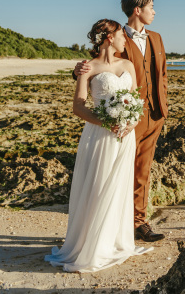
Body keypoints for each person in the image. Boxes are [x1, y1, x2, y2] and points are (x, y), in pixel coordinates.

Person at [46, 19, 152, 273]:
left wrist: (132, 122)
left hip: (125, 135)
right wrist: (105, 123)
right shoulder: (88, 67)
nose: (125, 40)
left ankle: (116, 240)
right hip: (100, 135)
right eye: (121, 36)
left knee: (118, 187)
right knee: (98, 185)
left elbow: (137, 99)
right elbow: (79, 106)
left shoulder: (127, 64)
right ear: (109, 37)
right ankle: (93, 245)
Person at [73, 0, 168, 242]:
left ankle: (139, 222)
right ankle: (113, 225)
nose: (154, 11)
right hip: (123, 116)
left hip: (154, 114)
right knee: (117, 170)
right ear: (138, 10)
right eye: (151, 7)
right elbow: (101, 66)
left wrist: (163, 105)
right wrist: (77, 70)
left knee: (143, 170)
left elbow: (162, 74)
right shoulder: (117, 37)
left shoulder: (157, 38)